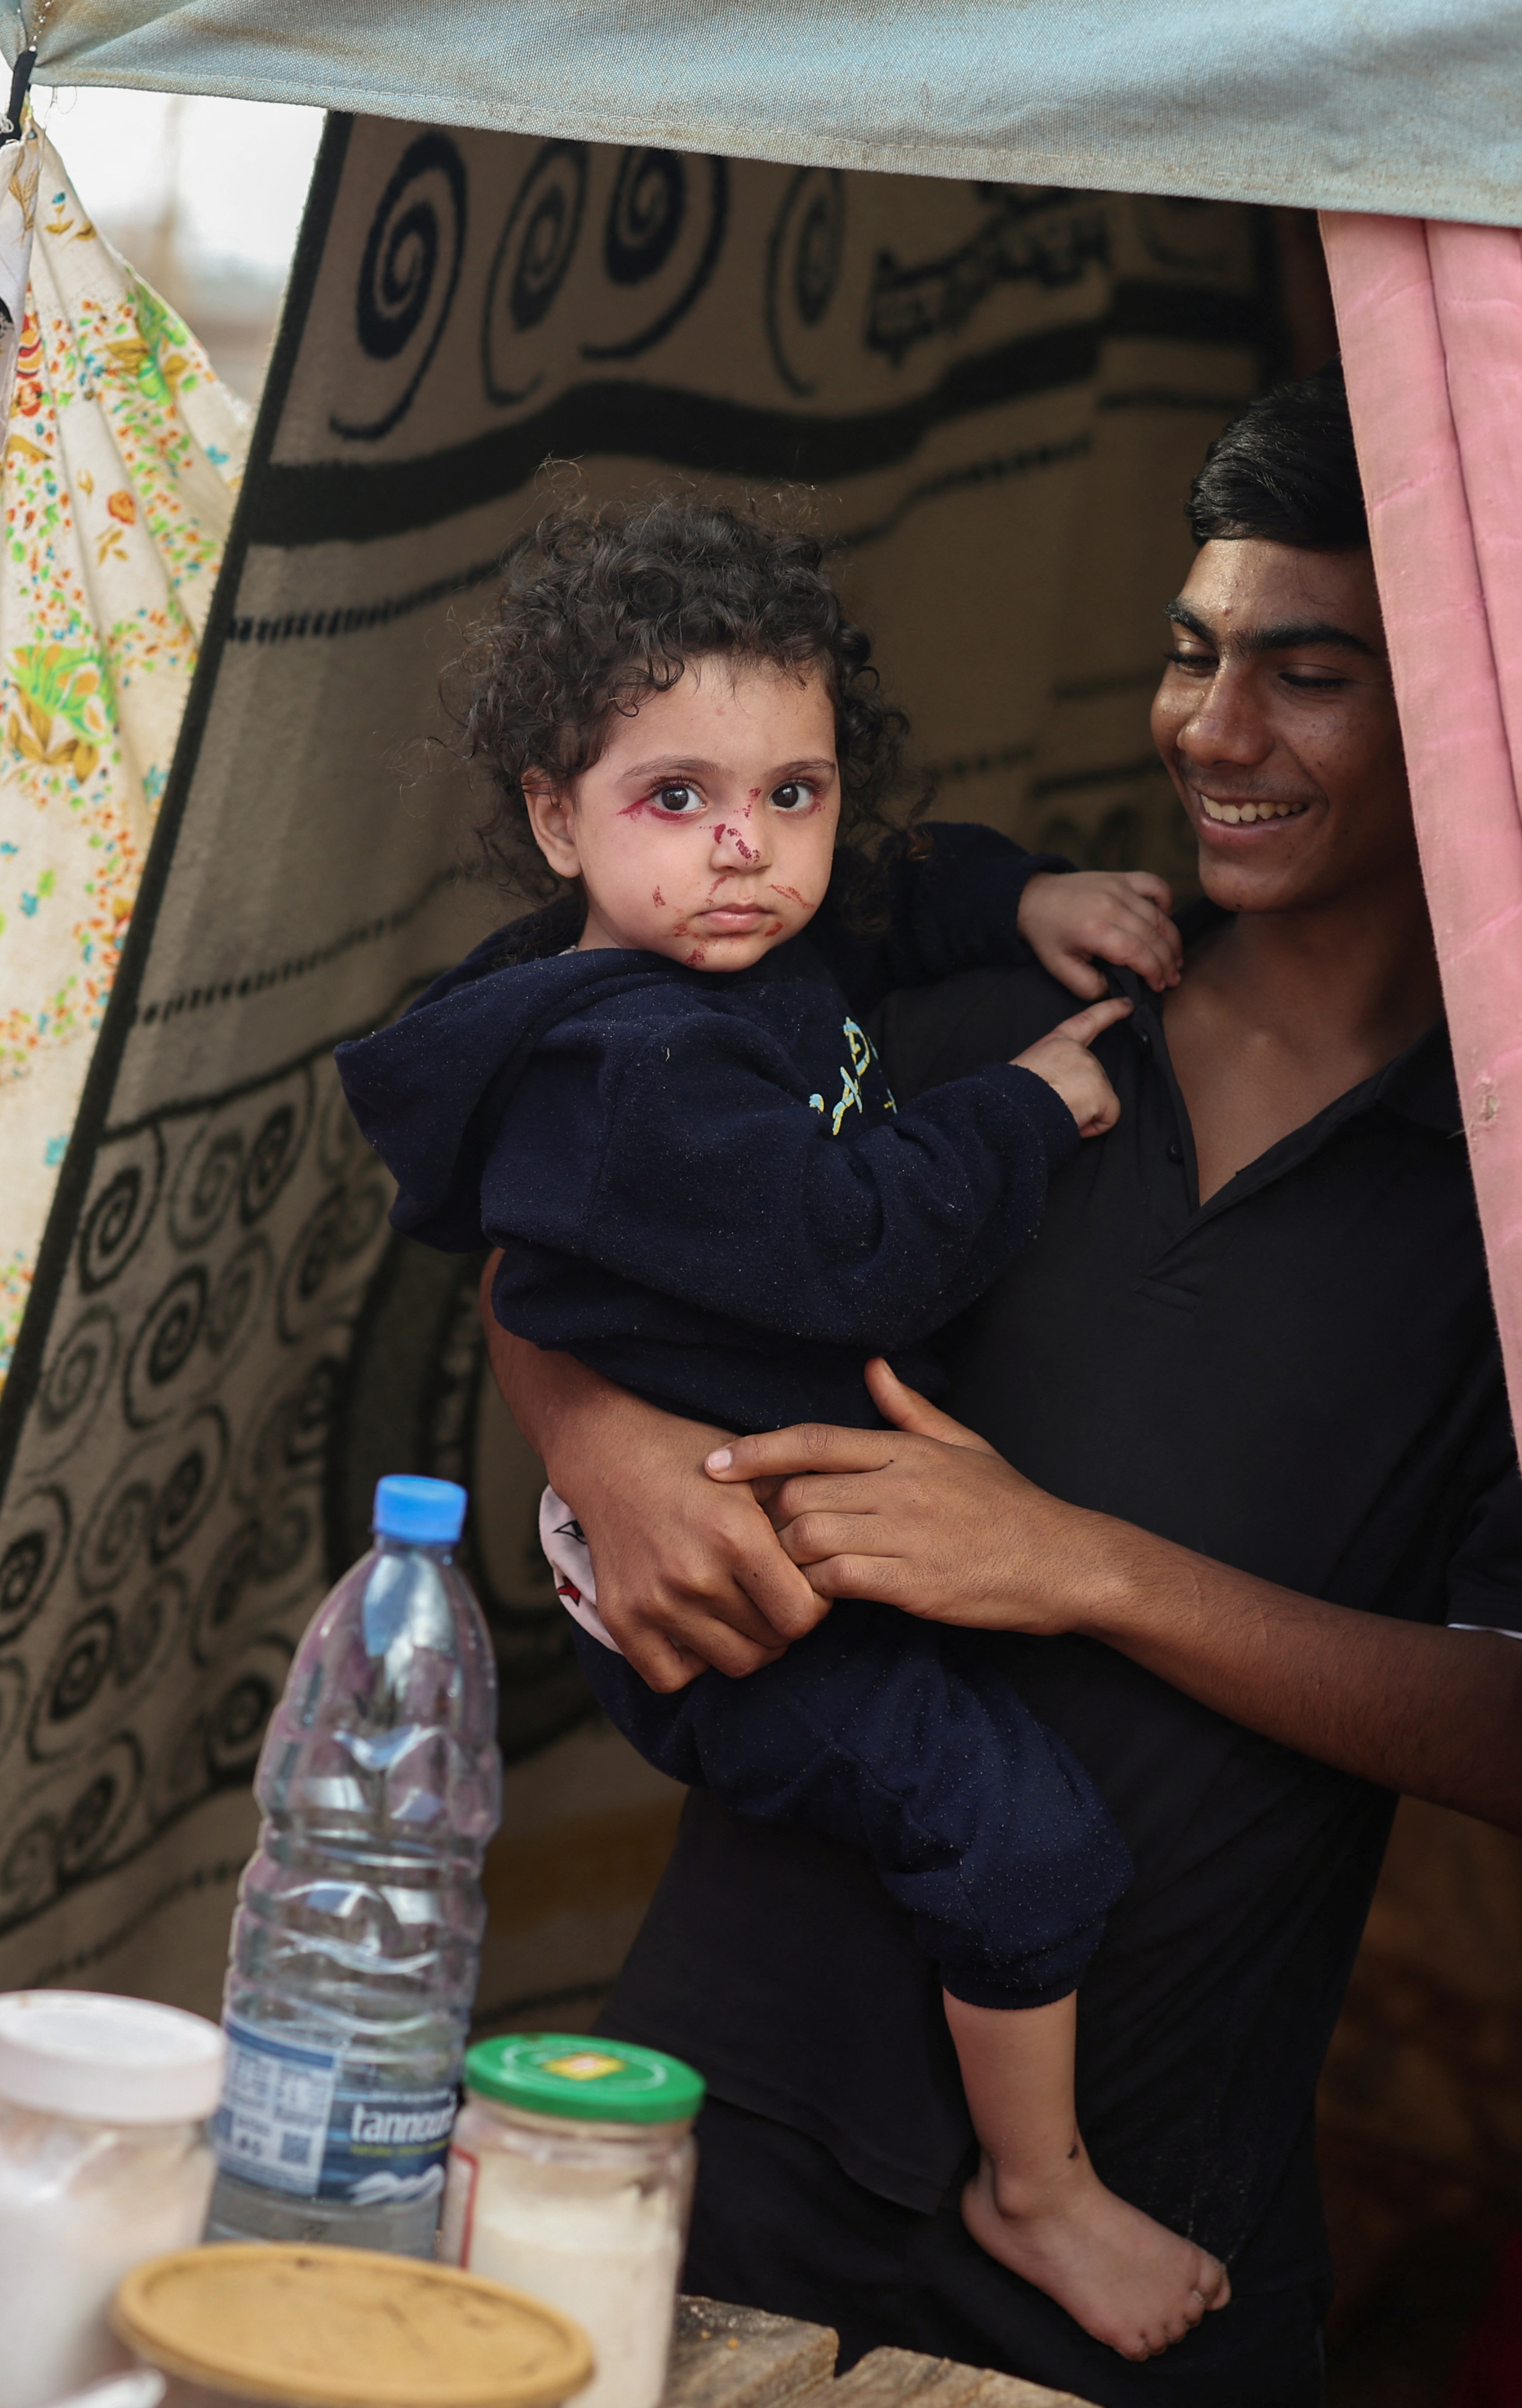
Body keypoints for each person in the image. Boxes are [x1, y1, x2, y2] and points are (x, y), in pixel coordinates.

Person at [485, 373, 1522, 2408]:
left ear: (1475, 712)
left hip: (1143, 2238)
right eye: (1194, 654)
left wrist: (1082, 1567)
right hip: (724, 2137)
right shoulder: (990, 1018)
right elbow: (578, 1214)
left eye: (1308, 672)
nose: (1214, 730)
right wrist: (593, 1439)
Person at [336, 497, 1233, 2359]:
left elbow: (890, 896)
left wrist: (1019, 901)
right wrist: (1026, 1107)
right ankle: (1038, 2186)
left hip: (774, 1491)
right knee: (1023, 1841)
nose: (745, 850)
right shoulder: (630, 1063)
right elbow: (853, 1253)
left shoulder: (732, 941)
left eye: (792, 793)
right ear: (547, 812)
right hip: (732, 1582)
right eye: (675, 798)